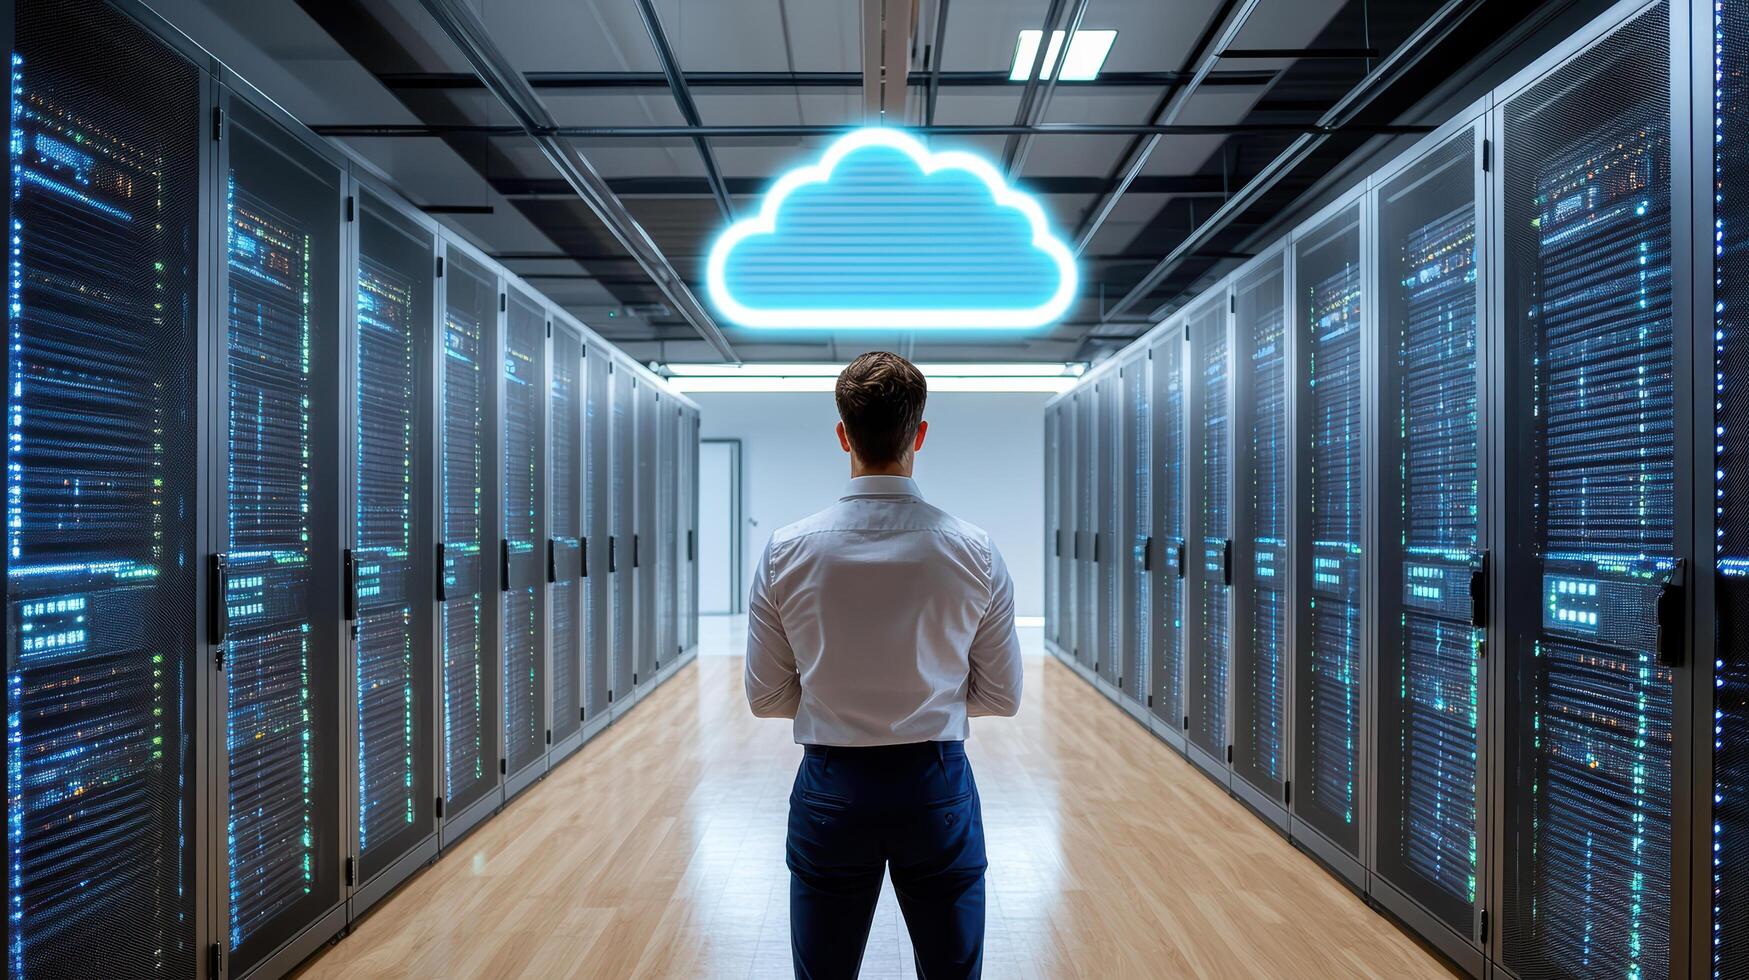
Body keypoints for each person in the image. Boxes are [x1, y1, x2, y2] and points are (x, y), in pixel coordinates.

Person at [743, 351, 1025, 980]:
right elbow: (1002, 697)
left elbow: (765, 698)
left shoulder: (786, 550)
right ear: (918, 434)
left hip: (830, 788)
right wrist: (929, 695)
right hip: (936, 787)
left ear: (843, 434)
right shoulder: (974, 550)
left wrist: (836, 698)